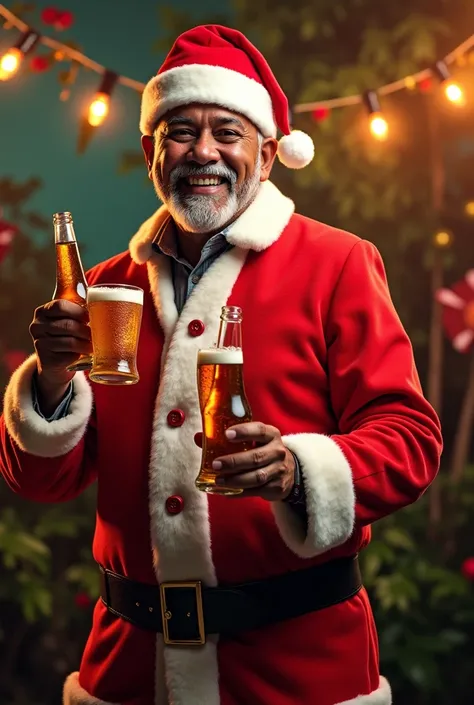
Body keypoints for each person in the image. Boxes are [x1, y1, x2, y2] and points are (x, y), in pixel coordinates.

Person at [0, 24, 442, 705]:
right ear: (151, 151)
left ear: (266, 155)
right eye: (180, 131)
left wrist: (300, 470)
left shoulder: (339, 263)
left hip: (296, 670)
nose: (202, 151)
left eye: (227, 133)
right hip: (129, 669)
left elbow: (411, 440)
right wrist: (54, 378)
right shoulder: (108, 288)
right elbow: (42, 481)